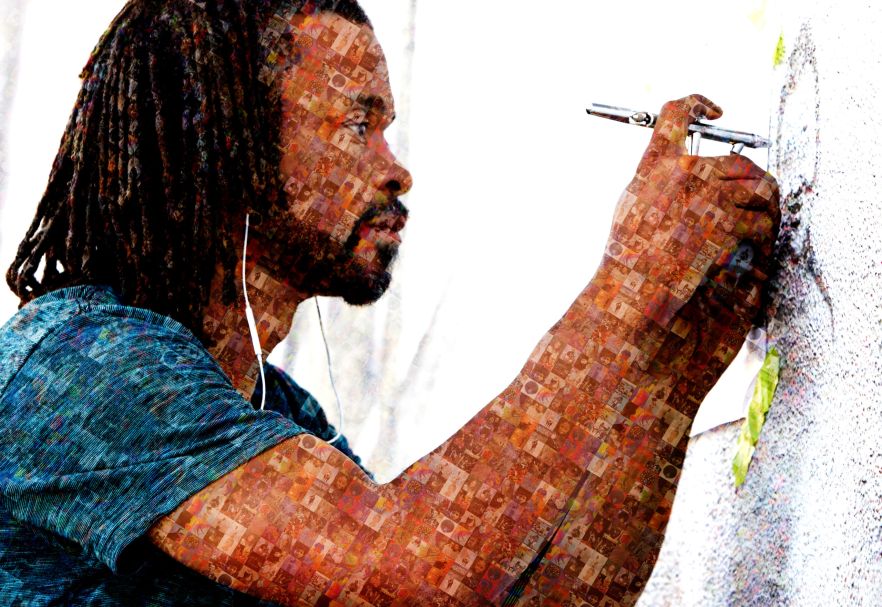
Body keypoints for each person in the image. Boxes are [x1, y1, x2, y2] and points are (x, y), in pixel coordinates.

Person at [0, 0, 780, 605]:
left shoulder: (276, 413)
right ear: (225, 142)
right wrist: (628, 290)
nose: (396, 169)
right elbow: (414, 567)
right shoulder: (78, 366)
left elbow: (541, 596)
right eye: (357, 123)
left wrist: (672, 374)